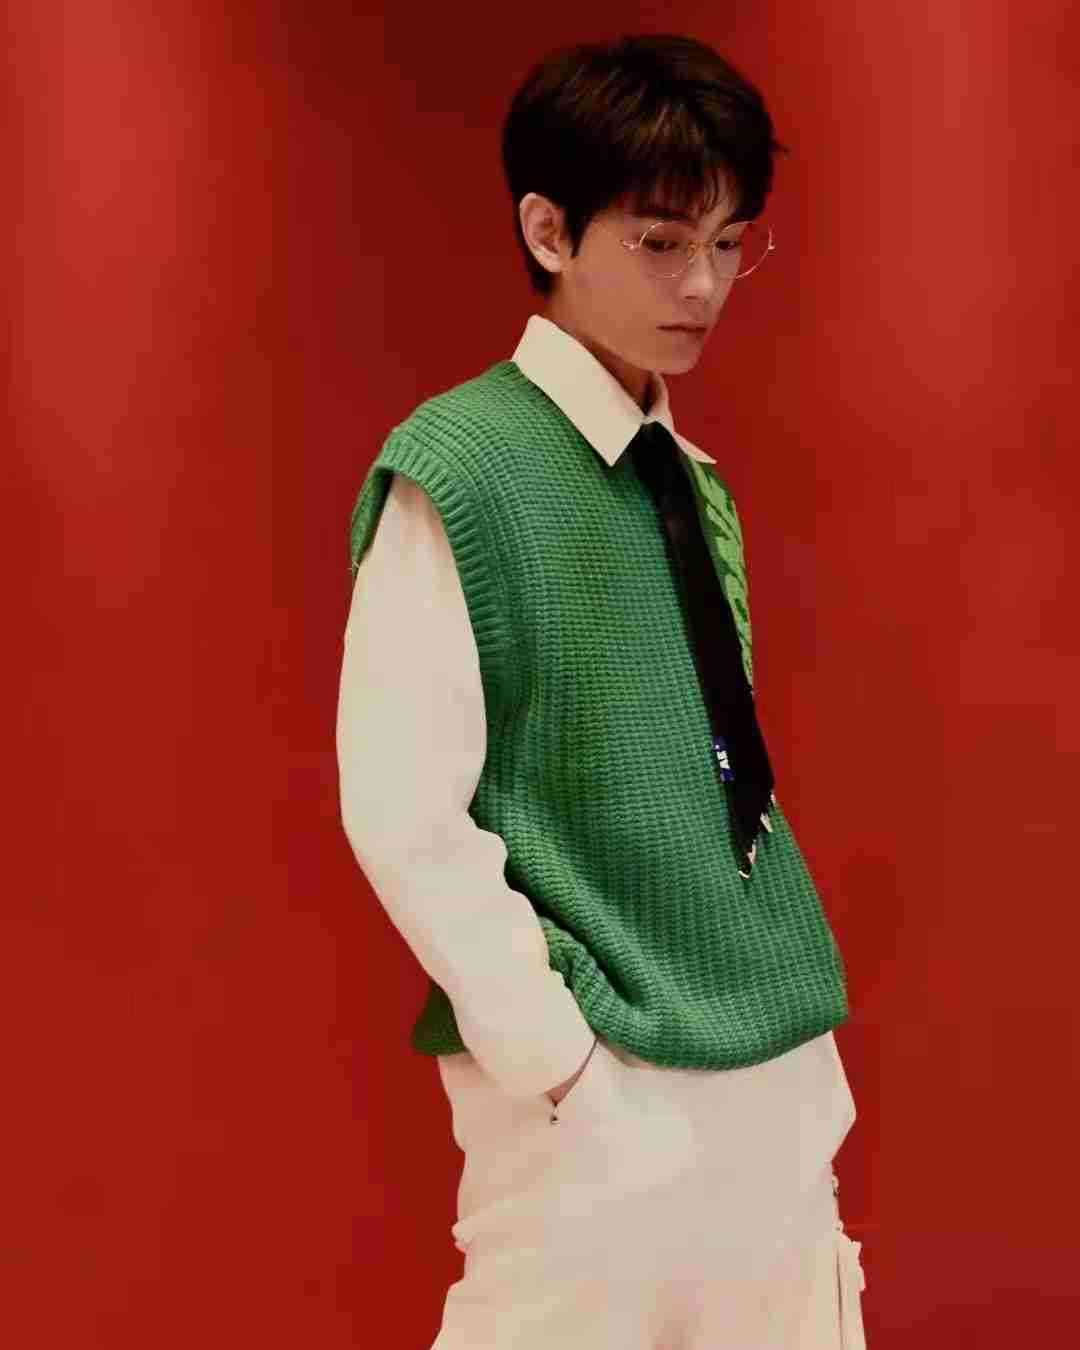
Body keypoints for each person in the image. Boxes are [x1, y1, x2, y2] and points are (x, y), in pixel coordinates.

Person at [336, 32, 868, 1349]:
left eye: (730, 243)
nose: (704, 285)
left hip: (772, 1063)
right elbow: (401, 806)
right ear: (548, 230)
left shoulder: (685, 477)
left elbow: (720, 781)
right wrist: (563, 1064)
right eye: (661, 242)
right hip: (604, 1086)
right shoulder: (461, 469)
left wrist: (805, 1088)